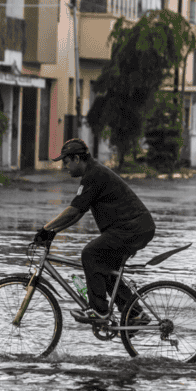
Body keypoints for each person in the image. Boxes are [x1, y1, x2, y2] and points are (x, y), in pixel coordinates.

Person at [33, 138, 156, 324]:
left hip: (132, 228)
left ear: (77, 159)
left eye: (66, 162)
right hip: (135, 227)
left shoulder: (94, 175)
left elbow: (73, 210)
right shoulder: (93, 173)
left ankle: (99, 311)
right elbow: (78, 213)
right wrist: (53, 232)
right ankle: (135, 313)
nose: (65, 167)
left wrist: (46, 228)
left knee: (90, 254)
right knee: (105, 270)